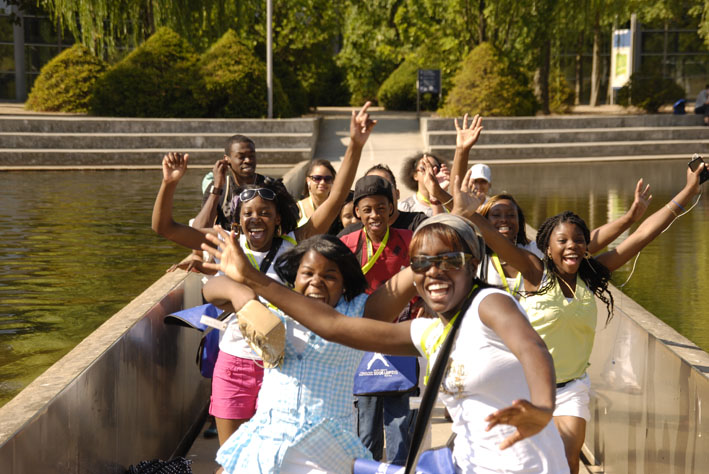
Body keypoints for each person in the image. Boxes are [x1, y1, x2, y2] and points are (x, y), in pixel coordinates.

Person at [202, 213, 569, 473]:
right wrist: (244, 290)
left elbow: (532, 349)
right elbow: (332, 325)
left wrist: (542, 406)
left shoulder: (489, 303)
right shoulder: (425, 332)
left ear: (472, 265)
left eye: (450, 261)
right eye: (424, 264)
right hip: (470, 463)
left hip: (528, 464)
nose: (435, 271)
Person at [456, 160, 706, 474]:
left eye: (578, 240)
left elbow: (642, 235)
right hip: (523, 385)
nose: (572, 246)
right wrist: (470, 214)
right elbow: (496, 239)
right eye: (563, 241)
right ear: (547, 246)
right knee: (525, 463)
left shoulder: (591, 276)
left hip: (572, 387)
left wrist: (687, 190)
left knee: (567, 457)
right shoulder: (534, 271)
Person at [151, 103, 376, 445]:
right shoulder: (226, 243)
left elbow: (334, 199)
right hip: (235, 362)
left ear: (278, 218)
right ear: (239, 219)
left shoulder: (295, 243)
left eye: (265, 212)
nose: (257, 218)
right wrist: (169, 184)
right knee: (232, 458)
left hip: (282, 367)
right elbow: (165, 227)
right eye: (249, 213)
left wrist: (356, 146)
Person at [201, 234, 417, 473]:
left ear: (345, 283)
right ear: (294, 278)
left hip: (327, 450)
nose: (316, 282)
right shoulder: (273, 307)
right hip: (267, 443)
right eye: (307, 274)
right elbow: (210, 289)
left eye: (329, 276)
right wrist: (240, 293)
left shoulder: (359, 312)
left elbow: (410, 277)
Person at [339, 175, 416, 464]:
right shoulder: (345, 245)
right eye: (367, 209)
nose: (375, 215)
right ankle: (366, 469)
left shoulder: (409, 240)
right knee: (366, 421)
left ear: (392, 208)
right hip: (363, 340)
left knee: (399, 421)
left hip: (399, 337)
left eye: (382, 208)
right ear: (357, 211)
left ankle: (399, 469)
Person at [475, 185, 651, 298]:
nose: (504, 220)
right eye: (496, 215)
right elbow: (458, 213)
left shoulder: (533, 253)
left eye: (511, 215)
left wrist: (628, 219)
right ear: (485, 221)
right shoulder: (476, 254)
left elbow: (591, 240)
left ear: (520, 221)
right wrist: (462, 150)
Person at [197, 135, 272, 229]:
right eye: (241, 157)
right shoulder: (218, 188)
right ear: (227, 159)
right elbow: (199, 229)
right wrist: (217, 187)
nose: (248, 160)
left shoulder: (271, 186)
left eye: (251, 156)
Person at [297, 159, 337, 227]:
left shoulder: (338, 208)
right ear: (308, 180)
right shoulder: (297, 208)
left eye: (327, 179)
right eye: (317, 178)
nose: (322, 182)